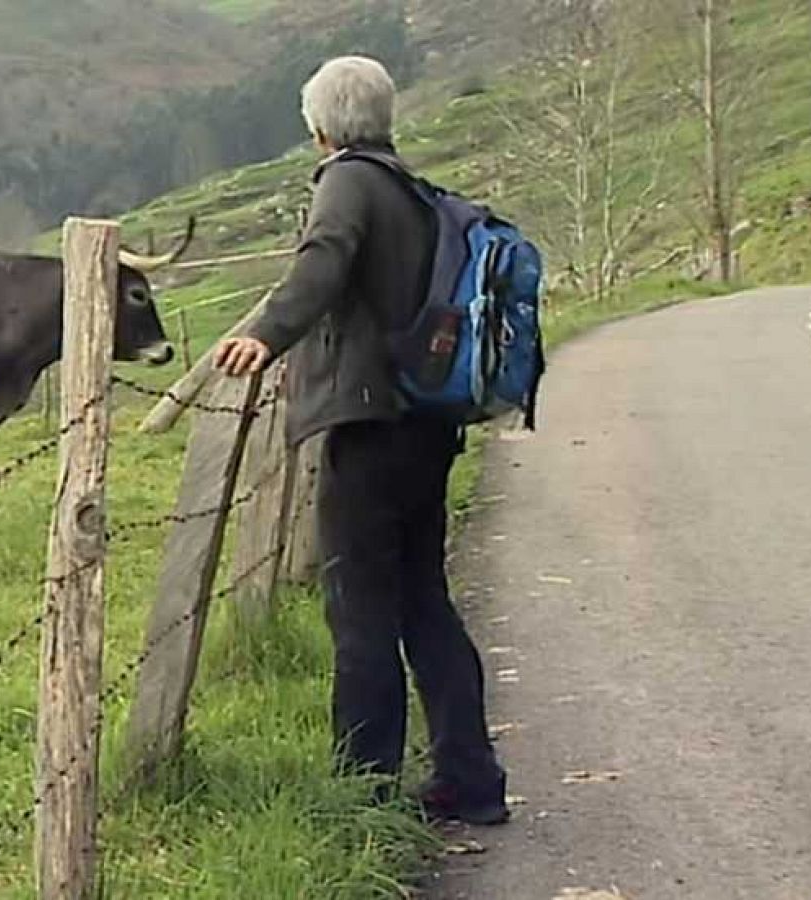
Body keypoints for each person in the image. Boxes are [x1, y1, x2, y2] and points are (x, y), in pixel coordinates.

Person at [214, 55, 509, 826]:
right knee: (423, 602)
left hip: (369, 427)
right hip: (424, 423)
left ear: (320, 127)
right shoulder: (412, 189)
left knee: (360, 613)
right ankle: (469, 781)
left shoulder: (347, 181)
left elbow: (324, 260)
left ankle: (364, 793)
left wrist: (264, 336)